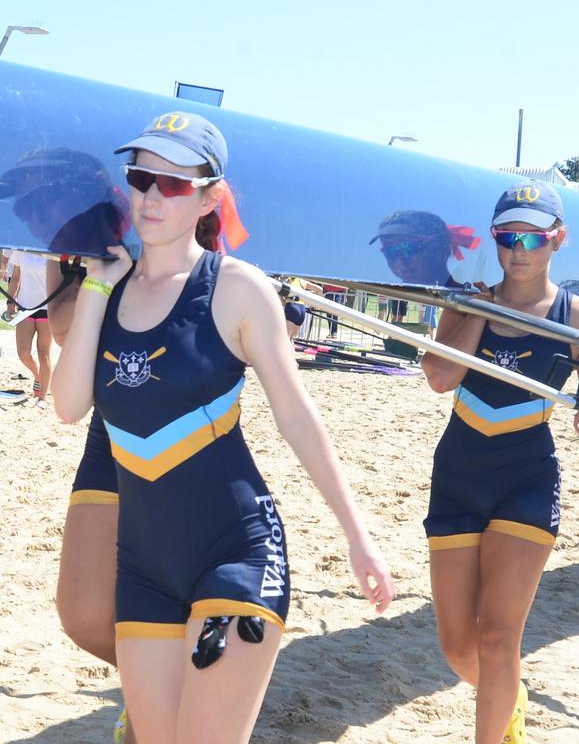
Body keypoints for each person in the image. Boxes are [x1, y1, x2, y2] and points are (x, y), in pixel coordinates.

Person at [51, 112, 393, 744]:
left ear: (210, 197)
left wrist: (358, 536)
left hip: (237, 554)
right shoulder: (109, 288)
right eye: (141, 176)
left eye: (175, 185)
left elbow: (295, 415)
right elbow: (68, 406)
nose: (152, 196)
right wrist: (96, 289)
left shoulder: (236, 289)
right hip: (144, 570)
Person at [424, 181, 579, 741]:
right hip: (456, 475)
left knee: (499, 640)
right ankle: (510, 698)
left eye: (534, 237)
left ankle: (497, 718)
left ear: (559, 239)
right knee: (459, 648)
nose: (519, 249)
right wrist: (479, 308)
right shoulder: (467, 301)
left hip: (526, 477)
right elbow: (439, 377)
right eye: (506, 237)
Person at [5, 248, 55, 404]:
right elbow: (15, 278)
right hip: (25, 307)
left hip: (47, 308)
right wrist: (10, 302)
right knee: (23, 353)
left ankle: (42, 397)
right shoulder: (21, 248)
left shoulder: (53, 250)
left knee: (44, 354)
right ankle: (37, 375)